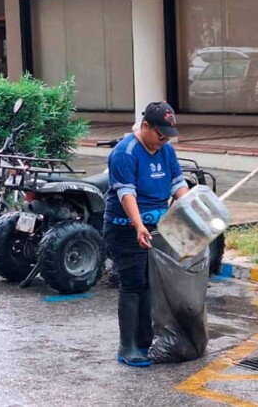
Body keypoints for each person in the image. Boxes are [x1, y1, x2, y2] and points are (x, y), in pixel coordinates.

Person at [103, 101, 189, 367]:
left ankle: (144, 341)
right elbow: (126, 193)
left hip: (156, 229)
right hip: (124, 229)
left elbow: (178, 184)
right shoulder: (125, 152)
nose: (163, 141)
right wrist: (138, 225)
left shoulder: (166, 151)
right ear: (145, 126)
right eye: (159, 135)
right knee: (133, 283)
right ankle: (126, 346)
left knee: (151, 284)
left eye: (168, 137)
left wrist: (191, 208)